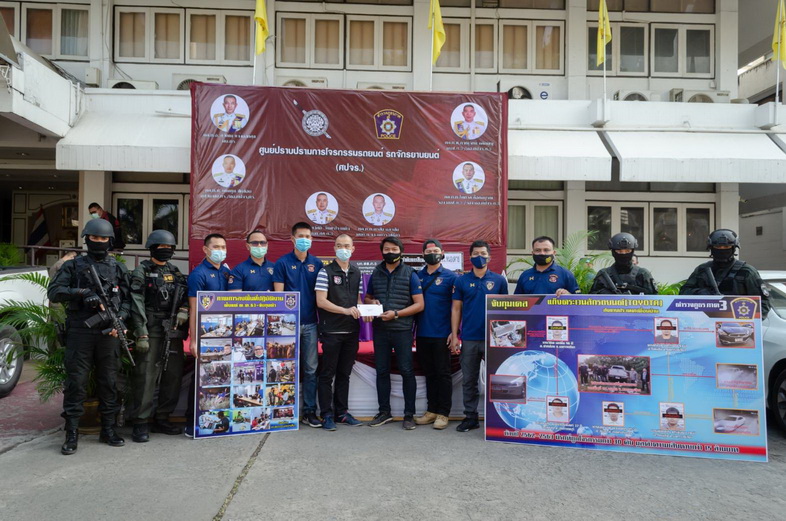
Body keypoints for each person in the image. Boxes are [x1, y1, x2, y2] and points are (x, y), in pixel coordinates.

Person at [48, 218, 130, 455]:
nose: (99, 242)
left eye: (103, 238)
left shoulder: (118, 268)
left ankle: (108, 429)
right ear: (87, 239)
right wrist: (82, 292)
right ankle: (71, 433)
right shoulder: (73, 266)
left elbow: (128, 299)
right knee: (76, 382)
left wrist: (120, 319)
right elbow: (54, 292)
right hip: (80, 330)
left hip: (109, 332)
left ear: (110, 241)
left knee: (109, 381)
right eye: (94, 238)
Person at [128, 230, 189, 442]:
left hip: (172, 329)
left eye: (169, 248)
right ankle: (140, 421)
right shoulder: (142, 271)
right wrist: (141, 333)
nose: (166, 250)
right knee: (146, 376)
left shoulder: (175, 271)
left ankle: (163, 417)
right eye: (162, 247)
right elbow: (136, 302)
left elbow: (186, 293)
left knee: (173, 375)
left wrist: (184, 310)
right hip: (151, 329)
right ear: (152, 248)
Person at [364, 236, 424, 429]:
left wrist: (396, 314)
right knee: (382, 371)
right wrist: (371, 302)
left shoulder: (410, 274)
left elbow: (419, 304)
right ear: (382, 252)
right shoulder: (376, 272)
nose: (390, 252)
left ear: (401, 251)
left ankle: (409, 415)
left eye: (394, 249)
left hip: (402, 330)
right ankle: (384, 412)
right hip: (380, 330)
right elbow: (367, 297)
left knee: (407, 371)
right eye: (387, 249)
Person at [451, 240, 509, 432]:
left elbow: (506, 310)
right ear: (470, 257)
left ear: (489, 257)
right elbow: (456, 309)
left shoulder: (499, 281)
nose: (479, 257)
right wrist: (454, 335)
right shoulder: (461, 281)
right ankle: (471, 417)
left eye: (483, 253)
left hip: (495, 338)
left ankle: (498, 417)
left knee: (497, 379)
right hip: (469, 338)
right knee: (469, 380)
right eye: (476, 254)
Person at [273, 222, 324, 428]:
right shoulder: (282, 263)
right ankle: (284, 411)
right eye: (301, 236)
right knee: (286, 369)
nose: (305, 240)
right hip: (288, 326)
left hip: (311, 324)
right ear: (293, 239)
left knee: (311, 369)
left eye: (308, 236)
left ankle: (309, 411)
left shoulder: (317, 264)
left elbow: (321, 295)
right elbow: (278, 296)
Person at [315, 234, 364, 431]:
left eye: (346, 246)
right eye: (339, 246)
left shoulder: (356, 272)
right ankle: (326, 414)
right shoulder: (324, 272)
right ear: (334, 248)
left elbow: (358, 300)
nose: (343, 249)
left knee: (344, 374)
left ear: (353, 249)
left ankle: (342, 413)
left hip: (351, 331)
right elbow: (321, 301)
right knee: (327, 374)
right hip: (331, 331)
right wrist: (345, 310)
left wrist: (367, 310)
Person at [186, 233, 231, 437]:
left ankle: (218, 419)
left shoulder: (227, 272)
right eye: (216, 247)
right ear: (205, 249)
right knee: (200, 378)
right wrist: (194, 341)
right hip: (206, 336)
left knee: (220, 377)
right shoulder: (199, 274)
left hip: (225, 334)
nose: (220, 250)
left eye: (223, 247)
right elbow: (194, 309)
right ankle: (191, 421)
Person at [414, 239, 458, 430]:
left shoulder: (451, 277)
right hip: (422, 333)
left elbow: (457, 307)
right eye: (429, 251)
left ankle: (443, 413)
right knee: (429, 374)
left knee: (443, 374)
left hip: (442, 334)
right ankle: (431, 410)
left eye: (436, 251)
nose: (433, 254)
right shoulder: (416, 276)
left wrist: (455, 333)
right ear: (423, 255)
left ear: (443, 253)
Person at [680, 229, 770, 318]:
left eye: (727, 247)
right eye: (718, 247)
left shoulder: (747, 272)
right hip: (706, 322)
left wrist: (747, 322)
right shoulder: (702, 270)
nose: (722, 250)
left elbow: (763, 303)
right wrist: (701, 293)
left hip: (736, 321)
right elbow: (683, 293)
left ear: (734, 248)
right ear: (711, 248)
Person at [590, 233, 657, 295]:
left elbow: (654, 299)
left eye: (627, 251)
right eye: (619, 251)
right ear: (613, 252)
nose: (623, 254)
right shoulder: (604, 274)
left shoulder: (643, 274)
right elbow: (592, 299)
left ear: (632, 251)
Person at [514, 236, 579, 296]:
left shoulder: (565, 274)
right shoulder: (525, 275)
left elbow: (579, 299)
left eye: (546, 250)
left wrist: (568, 294)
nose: (542, 253)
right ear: (532, 253)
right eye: (537, 250)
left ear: (554, 253)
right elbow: (516, 300)